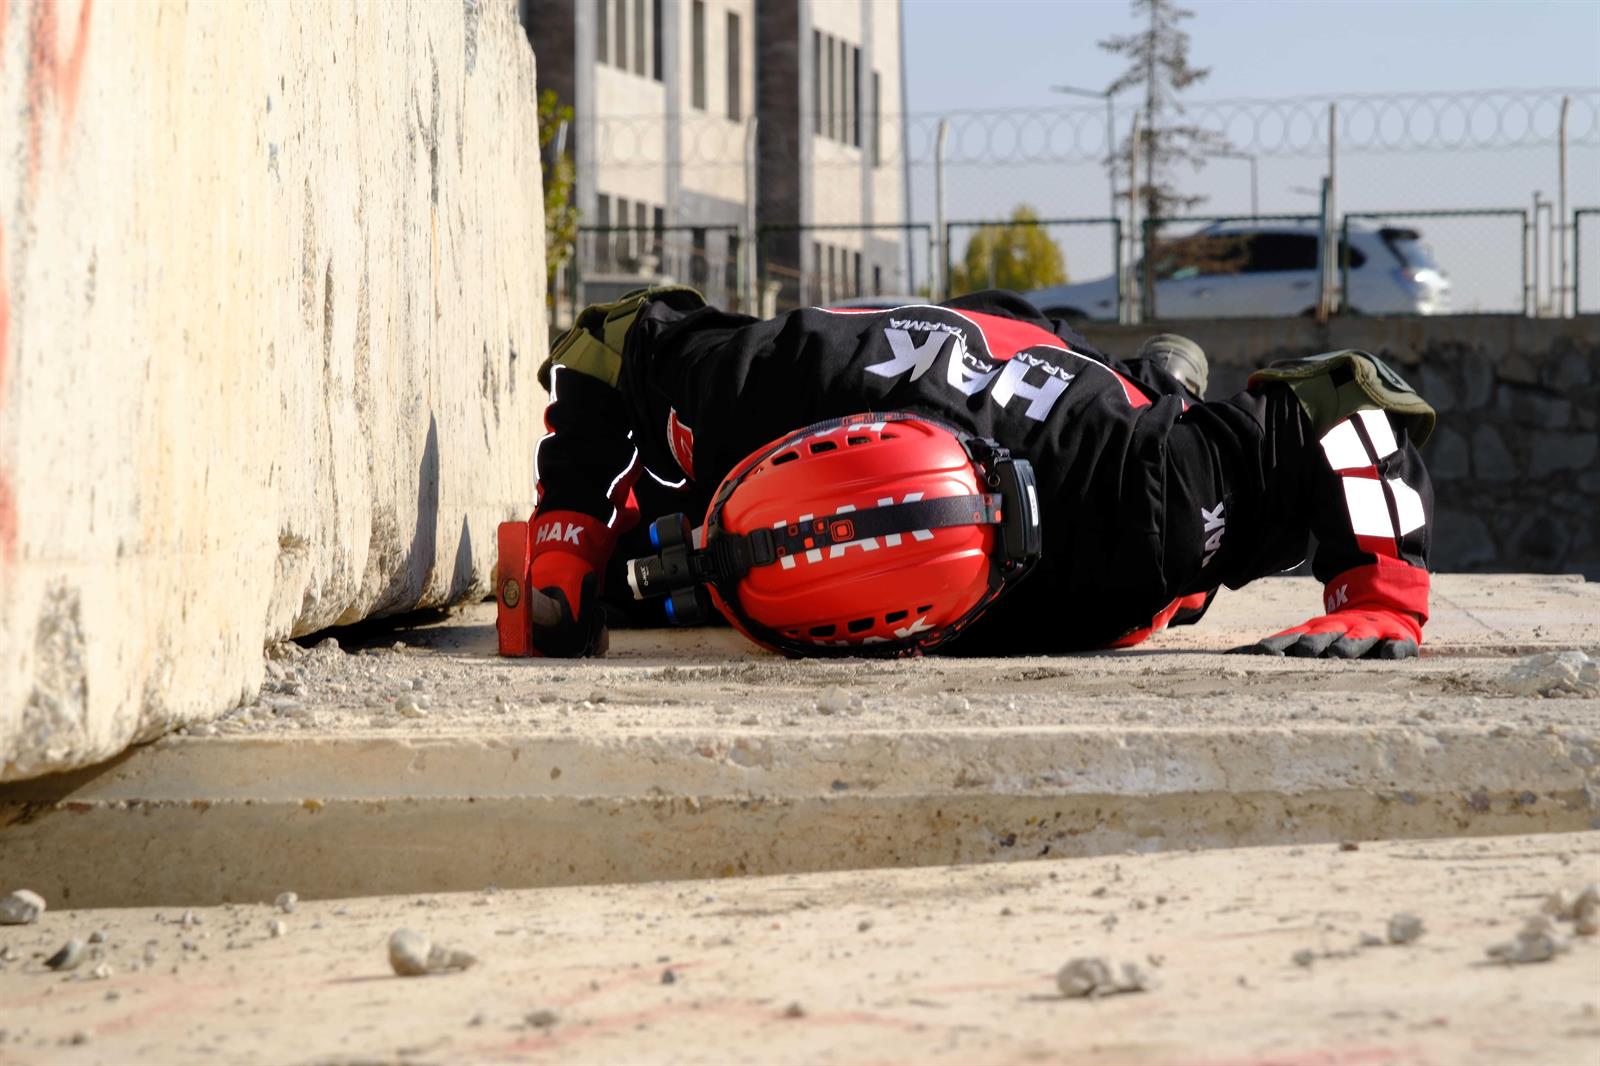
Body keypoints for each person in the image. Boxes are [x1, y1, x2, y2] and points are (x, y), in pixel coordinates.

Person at [513, 286, 1434, 659]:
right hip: (889, 360)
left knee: (1146, 408)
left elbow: (1349, 394)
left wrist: (1381, 589)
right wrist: (569, 532)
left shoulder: (1148, 500)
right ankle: (1147, 367)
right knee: (646, 580)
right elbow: (606, 336)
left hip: (1084, 434)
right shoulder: (748, 391)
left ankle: (1159, 378)